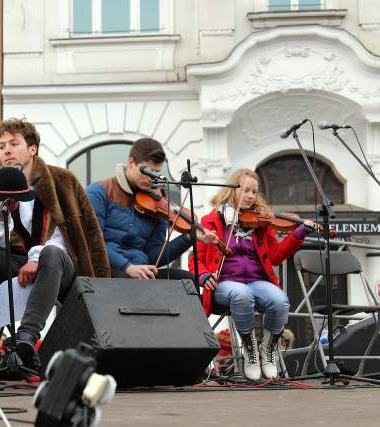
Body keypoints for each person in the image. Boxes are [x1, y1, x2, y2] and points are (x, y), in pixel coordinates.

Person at [0, 118, 110, 376]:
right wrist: (2, 213)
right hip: (14, 263)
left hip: (59, 265)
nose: (7, 150)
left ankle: (27, 335)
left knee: (50, 253)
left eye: (14, 143)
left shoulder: (61, 181)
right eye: (2, 145)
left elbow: (70, 235)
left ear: (32, 149)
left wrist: (35, 257)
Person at [188, 168, 316, 381]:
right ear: (232, 190)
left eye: (254, 192)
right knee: (242, 294)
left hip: (257, 281)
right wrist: (202, 276)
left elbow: (275, 256)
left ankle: (267, 349)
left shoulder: (261, 223)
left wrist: (298, 234)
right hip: (225, 283)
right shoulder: (212, 220)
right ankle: (249, 349)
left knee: (280, 301)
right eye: (245, 190)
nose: (250, 196)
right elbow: (196, 259)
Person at [86, 138, 217, 281]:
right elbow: (93, 243)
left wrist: (188, 238)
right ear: (131, 163)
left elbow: (154, 257)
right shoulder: (99, 192)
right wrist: (128, 267)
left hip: (140, 270)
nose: (151, 179)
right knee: (126, 279)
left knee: (186, 280)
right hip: (108, 269)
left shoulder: (157, 202)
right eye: (146, 171)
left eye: (155, 173)